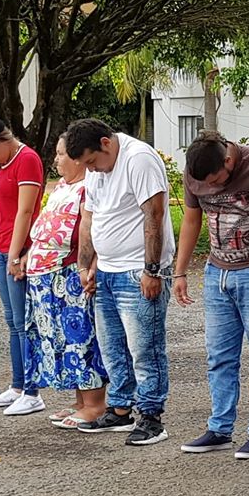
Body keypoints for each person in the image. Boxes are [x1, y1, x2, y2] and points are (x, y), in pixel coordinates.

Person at [173, 132, 249, 460]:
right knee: (218, 356)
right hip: (216, 272)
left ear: (228, 159)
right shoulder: (196, 170)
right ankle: (220, 428)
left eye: (218, 180)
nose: (215, 187)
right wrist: (180, 271)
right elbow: (192, 220)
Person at [66, 117, 174, 446]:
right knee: (112, 347)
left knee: (144, 348)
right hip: (108, 270)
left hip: (137, 271)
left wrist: (151, 270)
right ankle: (121, 408)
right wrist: (87, 265)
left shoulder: (138, 159)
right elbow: (90, 217)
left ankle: (152, 416)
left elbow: (153, 213)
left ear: (106, 144)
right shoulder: (98, 169)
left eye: (92, 162)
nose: (92, 170)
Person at [21, 136, 109, 429]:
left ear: (76, 157)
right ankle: (80, 400)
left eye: (61, 154)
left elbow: (89, 232)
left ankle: (95, 404)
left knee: (79, 338)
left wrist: (89, 266)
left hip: (69, 274)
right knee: (59, 338)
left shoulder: (88, 188)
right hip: (45, 276)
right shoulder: (62, 186)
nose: (56, 160)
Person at [0, 117, 45, 416]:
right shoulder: (3, 165)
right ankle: (18, 385)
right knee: (13, 320)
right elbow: (0, 215)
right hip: (4, 248)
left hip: (19, 249)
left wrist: (16, 254)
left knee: (23, 321)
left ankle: (31, 390)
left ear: (0, 141)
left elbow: (27, 210)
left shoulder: (27, 159)